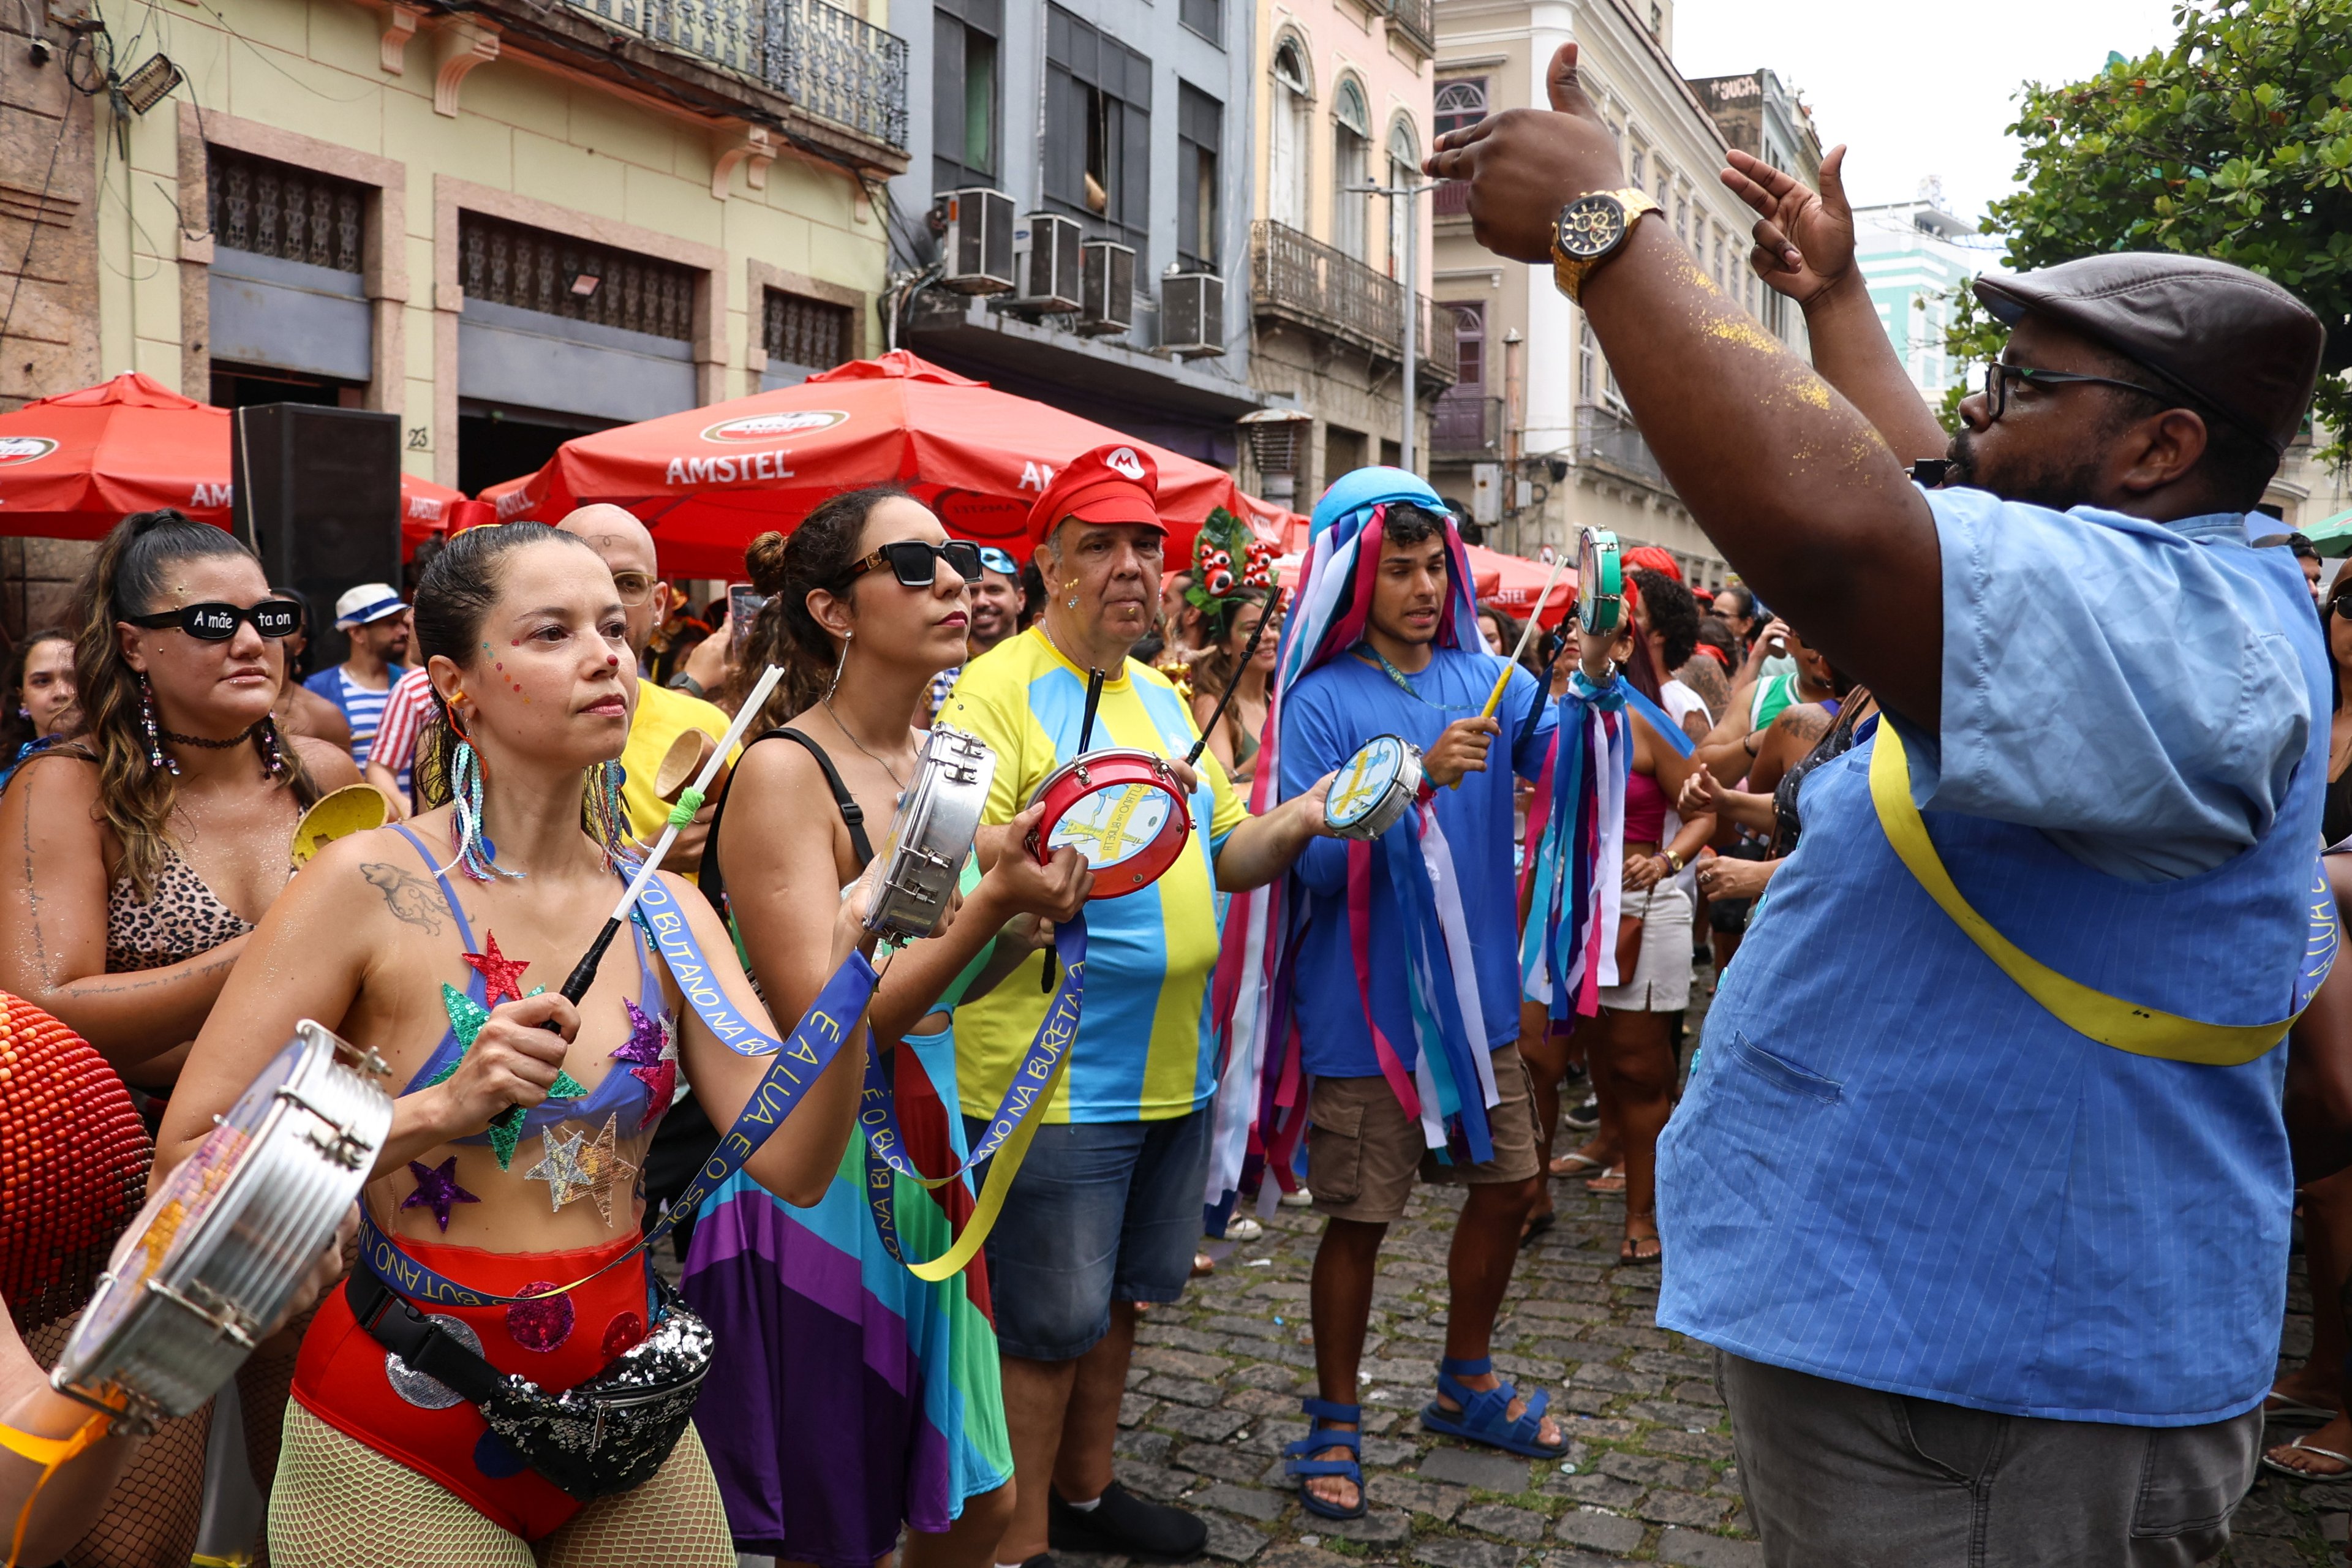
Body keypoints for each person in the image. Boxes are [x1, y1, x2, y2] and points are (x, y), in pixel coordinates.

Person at [1437, 51, 2330, 1564]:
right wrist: (1832, 300)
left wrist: (1603, 231)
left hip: (1996, 1372)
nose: (1980, 412)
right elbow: (1930, 484)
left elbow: (1853, 537)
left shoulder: (2186, 628)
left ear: (2161, 450)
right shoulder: (2145, 574)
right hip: (1947, 1340)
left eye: (2026, 388)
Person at [154, 519, 887, 1565]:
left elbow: (798, 1160)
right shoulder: (363, 886)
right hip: (401, 1421)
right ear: (458, 684)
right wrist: (434, 1114)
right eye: (551, 633)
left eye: (614, 628)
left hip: (625, 1408)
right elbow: (187, 1164)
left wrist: (858, 971)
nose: (608, 656)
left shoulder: (670, 907)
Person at [936, 443, 1336, 1566]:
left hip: (1175, 1063)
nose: (1130, 568)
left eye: (1144, 546)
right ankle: (1012, 1545)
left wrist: (1304, 815)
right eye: (1099, 545)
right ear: (1048, 564)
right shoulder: (989, 691)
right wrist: (1012, 885)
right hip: (1048, 1071)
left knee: (1120, 1299)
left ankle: (1087, 1490)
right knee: (1045, 1321)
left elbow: (1225, 852)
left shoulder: (1163, 697)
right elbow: (963, 882)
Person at [682, 490, 1092, 1568]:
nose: (954, 580)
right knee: (842, 1515)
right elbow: (826, 1027)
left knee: (978, 1505)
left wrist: (1030, 912)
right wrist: (995, 906)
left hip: (925, 1143)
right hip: (819, 1169)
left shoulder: (943, 760)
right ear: (833, 609)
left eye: (956, 557)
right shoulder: (782, 772)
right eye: (912, 563)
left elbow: (943, 980)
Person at [0, 510, 359, 1568]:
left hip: (322, 1180)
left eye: (269, 616)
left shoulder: (329, 782)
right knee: (127, 1548)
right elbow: (47, 1008)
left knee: (326, 1524)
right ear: (134, 643)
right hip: (135, 1194)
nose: (251, 639)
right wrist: (283, 950)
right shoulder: (66, 789)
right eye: (211, 619)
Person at [1264, 475, 1565, 1517]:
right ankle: (1334, 1423)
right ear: (1355, 577)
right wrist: (1418, 779)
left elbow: (1568, 769)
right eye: (1399, 568)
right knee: (1360, 1219)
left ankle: (1466, 1379)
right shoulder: (1319, 699)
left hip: (1480, 1014)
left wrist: (1597, 691)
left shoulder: (1492, 676)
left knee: (1510, 1188)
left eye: (1436, 565)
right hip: (1366, 1020)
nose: (1426, 586)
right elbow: (1302, 865)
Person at [1185, 511, 1282, 787]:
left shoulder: (1276, 700)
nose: (1268, 636)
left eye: (1273, 625)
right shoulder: (1212, 704)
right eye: (1252, 629)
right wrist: (1278, 746)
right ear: (1225, 644)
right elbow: (1223, 790)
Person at [303, 581, 412, 780]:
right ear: (356, 633)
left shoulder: (411, 683)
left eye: (402, 623)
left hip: (417, 810)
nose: (404, 632)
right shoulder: (318, 689)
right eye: (391, 624)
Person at [924, 543, 1025, 722]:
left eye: (994, 590)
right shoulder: (939, 677)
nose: (982, 602)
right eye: (972, 592)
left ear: (1020, 599)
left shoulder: (1044, 667)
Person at [0, 628, 74, 791]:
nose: (61, 693)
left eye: (74, 679)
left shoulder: (132, 771)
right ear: (22, 698)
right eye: (42, 681)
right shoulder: (4, 786)